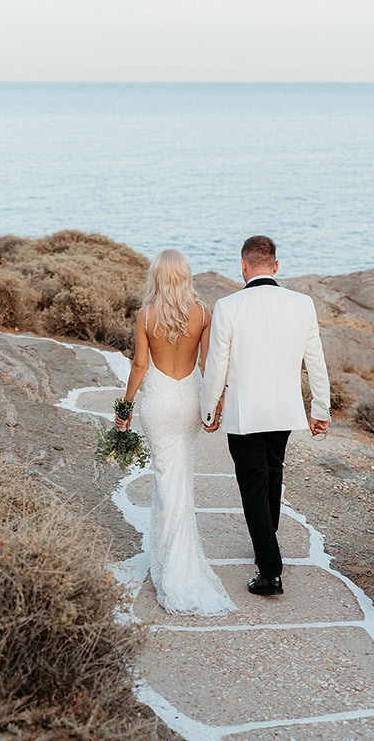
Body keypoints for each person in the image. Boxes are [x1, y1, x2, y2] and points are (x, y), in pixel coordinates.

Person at [201, 235, 331, 597]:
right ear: (276, 266)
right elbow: (315, 362)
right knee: (273, 475)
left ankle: (270, 570)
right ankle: (267, 541)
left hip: (246, 413)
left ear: (243, 267)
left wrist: (209, 409)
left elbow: (217, 366)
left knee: (253, 485)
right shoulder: (302, 304)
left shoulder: (229, 305)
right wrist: (320, 410)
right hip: (284, 411)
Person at [115, 249, 235, 617]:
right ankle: (173, 562)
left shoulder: (145, 314)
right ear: (184, 275)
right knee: (180, 477)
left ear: (157, 276)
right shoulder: (201, 312)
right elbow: (207, 364)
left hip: (159, 402)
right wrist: (215, 405)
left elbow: (139, 364)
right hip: (188, 400)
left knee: (167, 478)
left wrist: (125, 407)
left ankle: (172, 571)